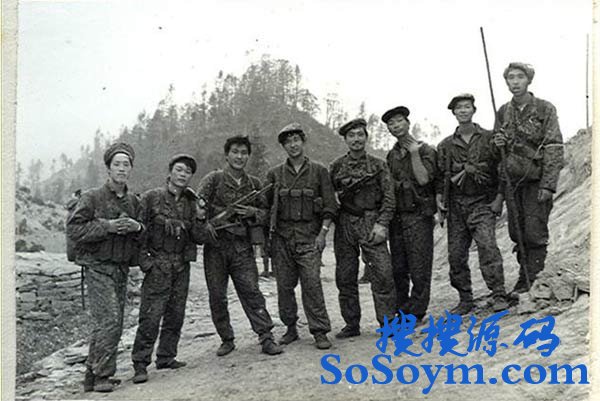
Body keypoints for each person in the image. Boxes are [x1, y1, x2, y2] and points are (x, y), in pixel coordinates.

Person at [66, 142, 143, 393]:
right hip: (98, 267)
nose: (121, 169)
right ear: (108, 168)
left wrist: (137, 227)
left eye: (126, 164)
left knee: (111, 322)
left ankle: (91, 374)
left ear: (131, 169)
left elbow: (144, 232)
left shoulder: (133, 201)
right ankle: (102, 376)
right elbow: (74, 229)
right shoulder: (92, 197)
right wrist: (107, 226)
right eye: (117, 164)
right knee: (110, 319)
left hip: (120, 268)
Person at [197, 135, 283, 357]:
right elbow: (197, 209)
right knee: (217, 295)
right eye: (235, 152)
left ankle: (266, 336)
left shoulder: (254, 184)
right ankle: (226, 339)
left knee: (251, 292)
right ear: (227, 155)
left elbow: (267, 213)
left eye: (244, 153)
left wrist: (254, 213)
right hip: (216, 248)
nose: (239, 156)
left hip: (242, 248)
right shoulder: (213, 180)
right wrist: (206, 225)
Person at [131, 154, 208, 383]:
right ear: (170, 172)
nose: (183, 175)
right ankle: (140, 363)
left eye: (188, 172)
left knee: (176, 315)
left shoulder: (191, 202)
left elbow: (198, 237)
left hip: (181, 266)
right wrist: (146, 263)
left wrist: (201, 218)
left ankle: (166, 356)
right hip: (158, 265)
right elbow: (138, 232)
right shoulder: (151, 198)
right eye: (179, 169)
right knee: (151, 316)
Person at [493, 63, 564, 295]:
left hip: (536, 180)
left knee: (534, 231)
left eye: (520, 77)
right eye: (510, 78)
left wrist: (548, 184)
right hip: (513, 183)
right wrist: (498, 143)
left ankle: (535, 278)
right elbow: (496, 153)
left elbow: (554, 147)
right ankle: (524, 277)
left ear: (529, 80)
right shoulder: (503, 111)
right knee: (517, 232)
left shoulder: (544, 109)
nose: (515, 82)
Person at [265, 122, 337, 349]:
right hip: (282, 238)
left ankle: (319, 331)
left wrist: (323, 233)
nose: (293, 145)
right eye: (288, 142)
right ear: (283, 146)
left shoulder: (319, 171)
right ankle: (290, 328)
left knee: (312, 285)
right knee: (284, 287)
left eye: (296, 140)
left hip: (309, 237)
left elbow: (330, 206)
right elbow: (265, 208)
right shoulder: (274, 174)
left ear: (303, 142)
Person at [436, 94, 507, 314]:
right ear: (454, 113)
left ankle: (498, 293)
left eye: (467, 107)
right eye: (459, 108)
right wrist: (440, 200)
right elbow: (440, 177)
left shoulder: (490, 138)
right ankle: (465, 298)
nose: (463, 111)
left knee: (488, 247)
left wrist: (499, 198)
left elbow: (502, 169)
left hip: (482, 202)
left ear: (473, 110)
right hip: (456, 206)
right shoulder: (445, 145)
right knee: (456, 255)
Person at [329, 118, 397, 338]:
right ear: (345, 140)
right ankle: (351, 324)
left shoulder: (378, 165)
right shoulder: (336, 166)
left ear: (366, 137)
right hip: (345, 224)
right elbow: (328, 197)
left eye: (360, 135)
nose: (356, 139)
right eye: (351, 135)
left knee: (383, 273)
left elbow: (389, 197)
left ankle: (387, 323)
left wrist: (382, 223)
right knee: (345, 275)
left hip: (371, 221)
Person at [383, 106, 437, 322]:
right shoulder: (392, 155)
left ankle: (416, 312)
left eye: (399, 121)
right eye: (391, 124)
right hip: (398, 217)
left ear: (408, 123)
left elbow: (424, 179)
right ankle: (402, 310)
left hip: (418, 216)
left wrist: (414, 153)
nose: (395, 126)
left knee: (419, 267)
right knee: (398, 267)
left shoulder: (425, 150)